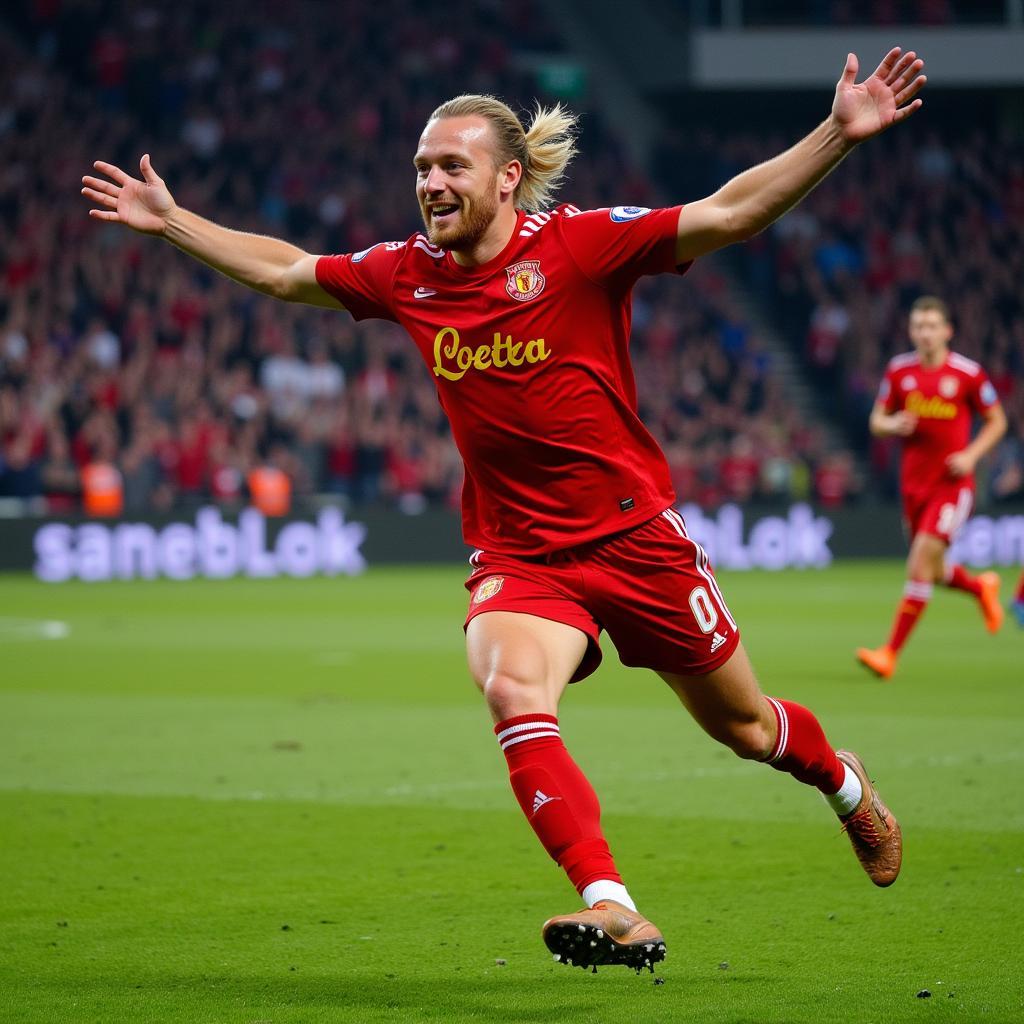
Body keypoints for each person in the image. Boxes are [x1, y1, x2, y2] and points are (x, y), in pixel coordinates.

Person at [83, 47, 925, 973]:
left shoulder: (579, 244)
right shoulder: (406, 273)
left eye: (452, 166)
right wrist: (173, 224)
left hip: (635, 537)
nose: (431, 183)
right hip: (520, 554)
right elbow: (289, 272)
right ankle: (611, 904)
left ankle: (845, 786)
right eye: (420, 169)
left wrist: (837, 136)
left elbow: (726, 213)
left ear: (508, 176)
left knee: (747, 732)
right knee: (512, 689)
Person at [857, 297, 1007, 680]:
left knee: (920, 562)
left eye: (932, 326)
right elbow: (877, 420)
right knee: (935, 571)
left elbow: (997, 422)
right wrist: (892, 426)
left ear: (947, 331)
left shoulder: (968, 374)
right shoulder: (899, 372)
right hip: (913, 485)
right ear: (911, 331)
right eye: (918, 326)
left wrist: (972, 456)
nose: (925, 333)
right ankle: (980, 587)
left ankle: (889, 653)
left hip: (952, 485)